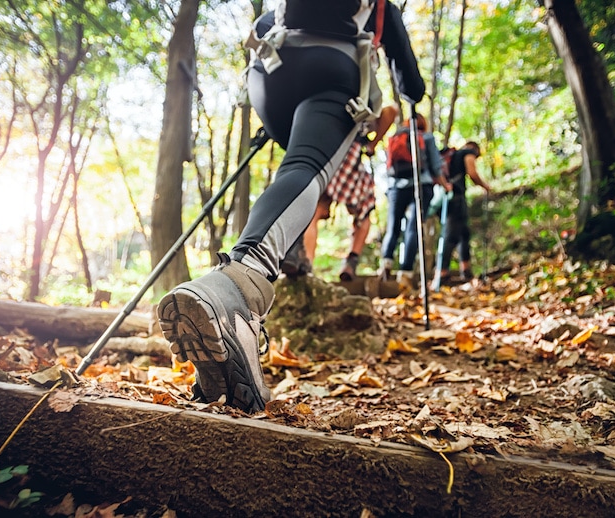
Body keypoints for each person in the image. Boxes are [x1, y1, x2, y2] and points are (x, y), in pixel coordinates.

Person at [157, 0, 425, 412]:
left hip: (269, 73)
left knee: (294, 166)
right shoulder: (381, 7)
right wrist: (409, 91)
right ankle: (239, 291)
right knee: (306, 169)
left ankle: (288, 254)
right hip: (330, 71)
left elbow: (264, 22)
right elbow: (411, 85)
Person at [283, 103, 399, 281]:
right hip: (350, 159)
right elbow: (392, 111)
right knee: (363, 213)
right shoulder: (361, 101)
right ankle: (351, 262)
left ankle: (306, 263)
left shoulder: (324, 104)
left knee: (312, 212)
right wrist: (372, 144)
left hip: (324, 155)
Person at [378, 113, 446, 289]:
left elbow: (389, 167)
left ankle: (385, 263)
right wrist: (445, 185)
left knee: (393, 227)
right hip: (421, 185)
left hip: (396, 187)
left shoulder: (395, 137)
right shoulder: (426, 137)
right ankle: (405, 273)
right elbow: (436, 167)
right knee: (413, 228)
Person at [438, 140, 490, 283]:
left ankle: (465, 270)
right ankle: (442, 273)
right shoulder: (468, 152)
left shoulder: (452, 155)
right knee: (451, 235)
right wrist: (485, 186)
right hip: (456, 197)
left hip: (446, 198)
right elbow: (472, 172)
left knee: (463, 233)